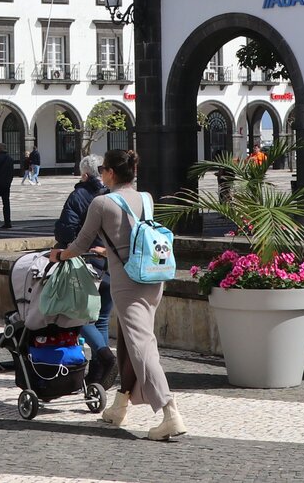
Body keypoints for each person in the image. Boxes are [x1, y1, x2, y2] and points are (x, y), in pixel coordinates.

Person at [51, 149, 187, 441]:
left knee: (141, 344)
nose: (101, 173)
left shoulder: (101, 203)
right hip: (153, 276)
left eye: (103, 169)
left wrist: (60, 255)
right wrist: (108, 250)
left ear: (110, 172)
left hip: (127, 283)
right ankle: (120, 404)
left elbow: (80, 244)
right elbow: (132, 236)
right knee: (128, 340)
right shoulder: (146, 198)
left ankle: (170, 412)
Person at [52, 154, 116, 389]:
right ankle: (98, 375)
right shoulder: (113, 193)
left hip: (87, 264)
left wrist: (65, 248)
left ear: (86, 174)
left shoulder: (79, 195)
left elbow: (66, 230)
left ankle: (106, 357)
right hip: (110, 263)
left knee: (76, 314)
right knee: (101, 319)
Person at [0, 142, 15, 228]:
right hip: (6, 184)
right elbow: (12, 172)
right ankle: (8, 222)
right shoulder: (10, 158)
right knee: (6, 204)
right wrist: (9, 181)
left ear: (0, 149)